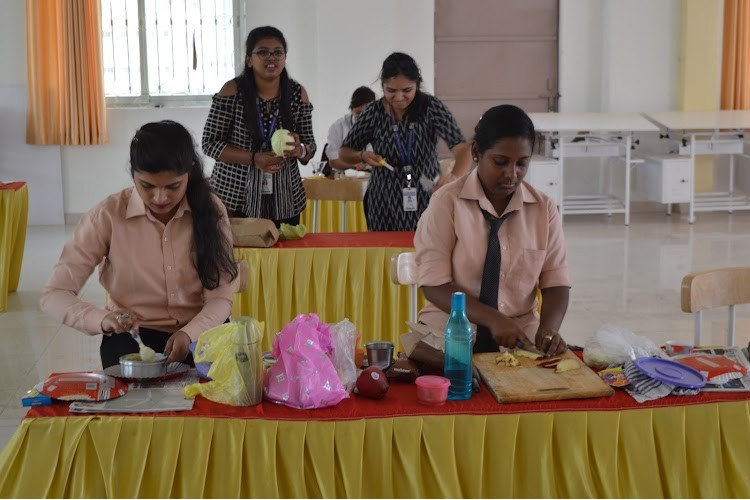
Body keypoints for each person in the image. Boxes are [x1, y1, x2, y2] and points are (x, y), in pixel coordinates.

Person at [40, 121, 238, 368]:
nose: (160, 198)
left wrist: (191, 333)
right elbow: (55, 294)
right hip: (134, 336)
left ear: (190, 171)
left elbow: (220, 297)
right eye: (147, 186)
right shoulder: (108, 216)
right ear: (133, 174)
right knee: (135, 402)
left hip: (204, 328)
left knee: (215, 401)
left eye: (173, 186)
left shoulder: (209, 210)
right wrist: (102, 319)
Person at [414, 104, 570, 356]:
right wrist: (493, 319)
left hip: (520, 337)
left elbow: (556, 282)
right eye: (500, 162)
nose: (512, 174)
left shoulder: (544, 209)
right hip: (449, 330)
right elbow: (434, 285)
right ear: (476, 151)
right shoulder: (446, 203)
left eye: (522, 163)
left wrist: (548, 329)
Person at [339, 52, 472, 231]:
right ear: (383, 86)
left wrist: (452, 178)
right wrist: (362, 156)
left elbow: (463, 150)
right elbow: (345, 152)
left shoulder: (431, 108)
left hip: (425, 184)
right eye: (391, 91)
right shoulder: (373, 112)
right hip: (383, 194)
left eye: (407, 90)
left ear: (417, 85)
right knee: (384, 251)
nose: (399, 98)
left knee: (427, 246)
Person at [203, 26, 315, 227]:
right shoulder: (232, 91)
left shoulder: (298, 93)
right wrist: (254, 159)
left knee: (284, 257)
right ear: (249, 59)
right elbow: (209, 144)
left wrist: (300, 150)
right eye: (263, 52)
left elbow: (310, 147)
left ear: (284, 58)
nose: (271, 58)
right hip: (235, 196)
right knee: (238, 257)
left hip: (284, 199)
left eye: (278, 52)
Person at [323, 86, 376, 172]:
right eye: (358, 113)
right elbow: (333, 162)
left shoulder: (381, 125)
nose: (363, 117)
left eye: (367, 113)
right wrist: (354, 165)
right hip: (346, 176)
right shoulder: (338, 126)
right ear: (351, 109)